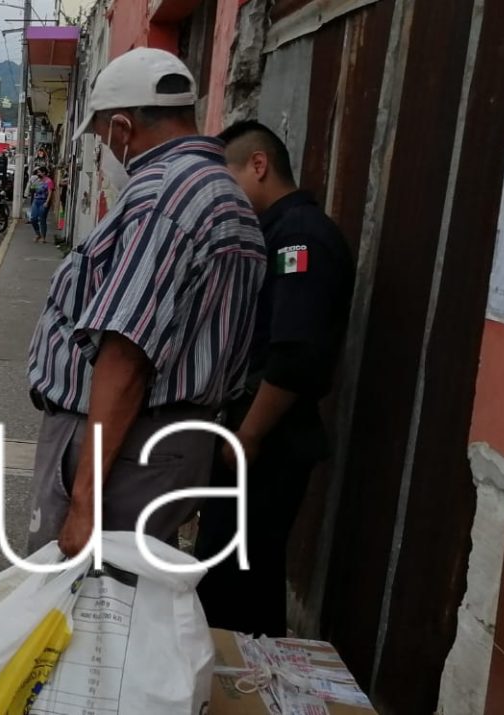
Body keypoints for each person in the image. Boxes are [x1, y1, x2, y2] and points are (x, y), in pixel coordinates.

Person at [24, 48, 267, 557]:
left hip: (128, 446)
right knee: (122, 602)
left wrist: (85, 502)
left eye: (100, 137)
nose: (104, 150)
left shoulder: (163, 195)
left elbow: (126, 355)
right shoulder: (222, 191)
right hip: (164, 445)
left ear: (122, 127)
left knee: (76, 608)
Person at [195, 120, 354, 637]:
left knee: (237, 580)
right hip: (250, 433)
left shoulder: (300, 238)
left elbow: (293, 354)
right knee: (229, 573)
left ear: (258, 166)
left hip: (266, 439)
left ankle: (237, 686)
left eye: (228, 179)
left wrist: (247, 438)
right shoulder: (273, 233)